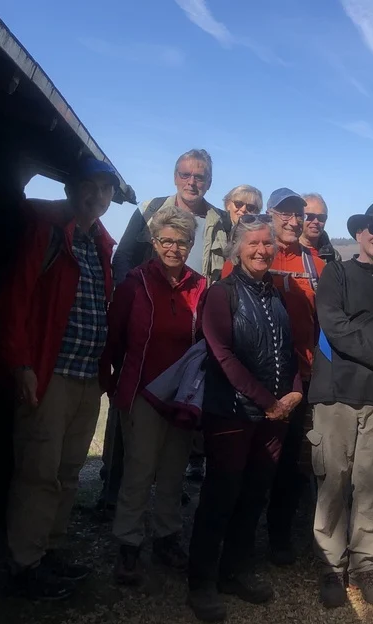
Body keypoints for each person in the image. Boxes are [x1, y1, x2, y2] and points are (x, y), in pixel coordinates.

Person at [0, 157, 118, 600]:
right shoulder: (46, 233)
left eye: (105, 190)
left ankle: (51, 551)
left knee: (67, 472)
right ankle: (24, 565)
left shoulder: (101, 243)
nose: (97, 196)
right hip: (50, 374)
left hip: (87, 377)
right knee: (38, 472)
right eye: (89, 186)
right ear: (71, 189)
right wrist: (21, 364)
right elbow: (15, 300)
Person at [186, 216, 303, 623]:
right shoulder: (222, 295)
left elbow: (287, 349)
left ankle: (234, 569)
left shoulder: (275, 295)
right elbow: (223, 356)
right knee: (221, 495)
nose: (261, 250)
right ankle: (200, 581)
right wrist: (267, 401)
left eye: (267, 244)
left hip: (273, 418)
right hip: (232, 413)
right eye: (253, 243)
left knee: (254, 494)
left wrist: (295, 391)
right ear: (237, 248)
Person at [308, 199, 373, 609]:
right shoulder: (336, 273)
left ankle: (366, 564)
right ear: (358, 232)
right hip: (335, 393)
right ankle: (332, 566)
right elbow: (335, 326)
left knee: (371, 484)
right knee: (333, 481)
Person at [100, 206, 207, 586]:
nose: (173, 248)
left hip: (181, 394)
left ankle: (166, 538)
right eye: (166, 241)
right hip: (143, 391)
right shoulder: (135, 283)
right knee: (139, 471)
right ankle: (128, 544)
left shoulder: (200, 286)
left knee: (174, 471)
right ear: (155, 243)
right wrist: (111, 382)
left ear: (191, 244)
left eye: (181, 242)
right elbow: (113, 338)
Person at [260, 188, 322, 565]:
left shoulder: (315, 263)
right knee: (252, 463)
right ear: (270, 214)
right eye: (285, 213)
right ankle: (239, 539)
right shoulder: (253, 250)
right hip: (257, 378)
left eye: (298, 214)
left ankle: (279, 538)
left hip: (301, 378)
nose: (293, 220)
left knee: (288, 463)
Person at [111, 149, 231, 283]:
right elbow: (123, 256)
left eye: (199, 177)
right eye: (185, 175)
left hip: (200, 301)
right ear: (175, 177)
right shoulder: (148, 210)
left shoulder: (223, 223)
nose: (191, 182)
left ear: (209, 183)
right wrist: (131, 292)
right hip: (149, 300)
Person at [220, 184, 264, 258]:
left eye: (250, 207)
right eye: (238, 204)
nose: (243, 209)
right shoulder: (216, 229)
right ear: (228, 205)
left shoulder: (260, 237)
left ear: (257, 212)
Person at [299, 192, 341, 263]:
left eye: (321, 217)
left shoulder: (333, 257)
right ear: (300, 217)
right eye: (310, 216)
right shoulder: (286, 251)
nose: (316, 221)